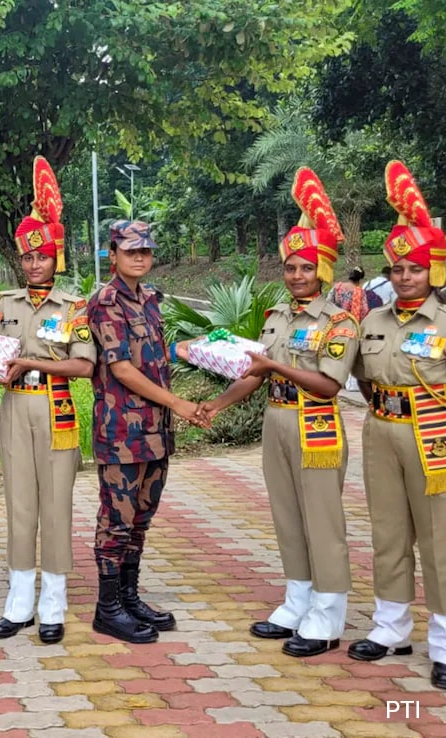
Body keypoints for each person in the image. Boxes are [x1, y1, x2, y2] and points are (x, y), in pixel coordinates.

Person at [197, 168, 356, 657]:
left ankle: (328, 615)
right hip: (278, 421)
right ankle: (297, 601)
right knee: (287, 516)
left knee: (322, 521)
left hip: (317, 425)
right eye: (291, 268)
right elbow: (255, 372)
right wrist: (215, 405)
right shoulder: (278, 318)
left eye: (306, 268)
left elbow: (329, 385)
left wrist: (273, 365)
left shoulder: (339, 322)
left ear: (323, 271)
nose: (297, 276)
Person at [0, 157, 95, 644]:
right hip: (14, 408)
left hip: (56, 409)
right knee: (19, 505)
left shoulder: (74, 308)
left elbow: (83, 366)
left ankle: (53, 600)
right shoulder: (4, 304)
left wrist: (34, 363)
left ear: (57, 257)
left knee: (55, 505)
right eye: (27, 258)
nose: (34, 264)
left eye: (43, 256)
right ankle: (19, 598)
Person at [349, 161, 446, 687]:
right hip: (381, 430)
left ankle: (444, 640)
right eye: (398, 269)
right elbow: (362, 376)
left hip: (434, 436)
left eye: (415, 268)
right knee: (387, 531)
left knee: (440, 538)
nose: (405, 277)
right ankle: (391, 627)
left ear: (434, 270)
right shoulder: (373, 320)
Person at [87, 219, 207, 644]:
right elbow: (120, 368)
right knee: (116, 520)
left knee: (141, 518)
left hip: (156, 431)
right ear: (113, 254)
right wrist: (179, 404)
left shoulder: (150, 299)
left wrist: (189, 349)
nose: (139, 257)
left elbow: (150, 354)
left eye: (145, 251)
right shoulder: (106, 302)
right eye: (130, 251)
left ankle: (129, 596)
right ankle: (107, 608)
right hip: (121, 430)